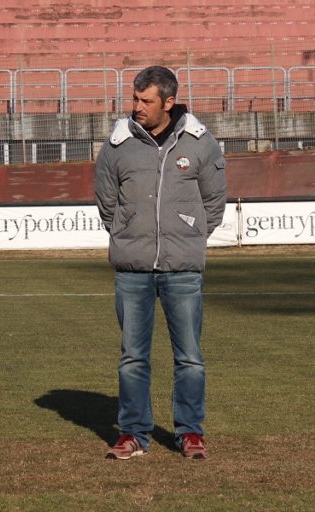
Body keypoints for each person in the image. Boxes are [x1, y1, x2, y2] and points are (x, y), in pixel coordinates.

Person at [94, 65, 227, 460]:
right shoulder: (118, 144)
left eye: (146, 101)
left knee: (189, 357)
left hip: (182, 269)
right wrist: (128, 232)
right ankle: (133, 433)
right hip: (132, 270)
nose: (137, 107)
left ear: (168, 102)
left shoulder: (200, 143)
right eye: (135, 99)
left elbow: (213, 203)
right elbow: (106, 201)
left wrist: (187, 235)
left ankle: (190, 432)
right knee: (132, 358)